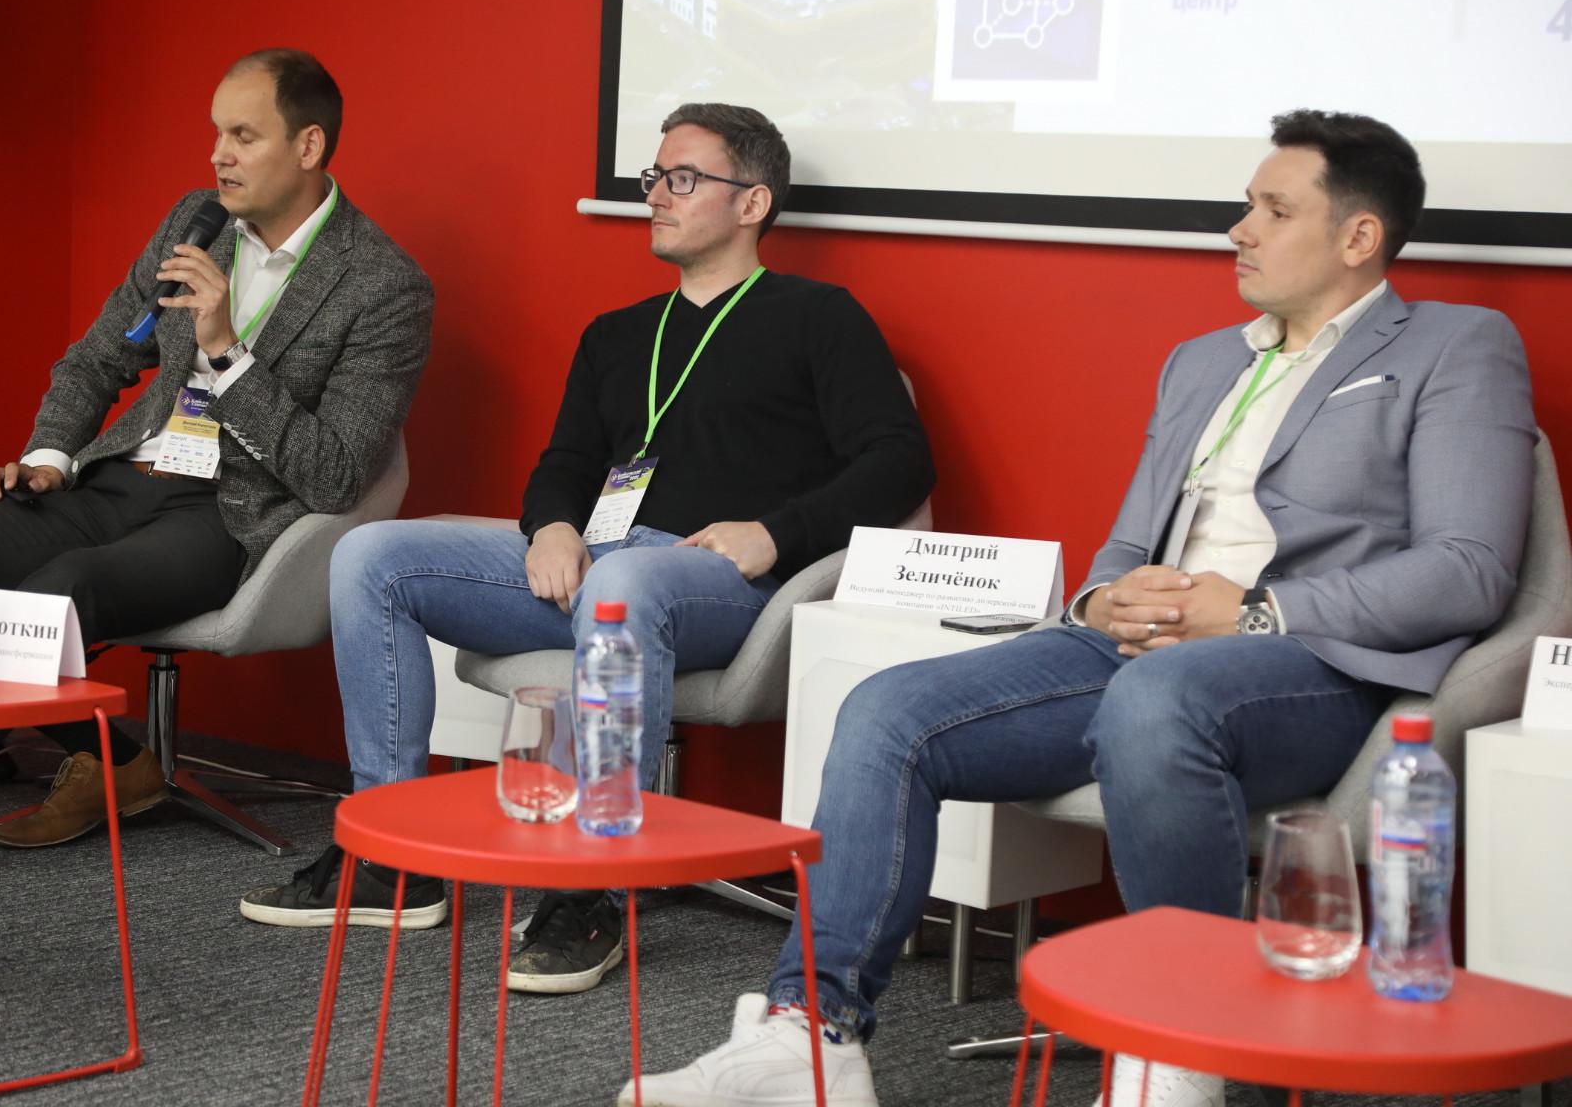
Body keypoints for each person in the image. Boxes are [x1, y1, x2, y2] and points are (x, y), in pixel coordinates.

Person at [624, 109, 1537, 1107]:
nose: (1240, 229)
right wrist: (1105, 599)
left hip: (1310, 663)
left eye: (1274, 211)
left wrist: (1253, 612)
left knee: (1161, 700)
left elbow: (1469, 569)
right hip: (1137, 650)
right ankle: (812, 1038)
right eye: (1247, 206)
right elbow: (1127, 544)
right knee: (885, 712)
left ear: (1359, 236)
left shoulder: (1456, 345)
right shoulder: (1204, 360)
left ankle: (1177, 1049)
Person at [238, 103, 936, 997]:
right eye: (654, 177)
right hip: (600, 561)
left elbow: (901, 460)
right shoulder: (617, 334)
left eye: (683, 179)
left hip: (720, 580)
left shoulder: (819, 317)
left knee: (630, 580)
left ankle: (595, 886)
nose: (657, 195)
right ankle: (389, 857)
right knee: (371, 556)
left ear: (753, 202)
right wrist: (554, 527)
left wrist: (775, 533)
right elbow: (564, 464)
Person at [0, 49, 432, 886]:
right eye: (215, 134)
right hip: (117, 481)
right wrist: (48, 459)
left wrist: (226, 352)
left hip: (225, 516)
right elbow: (97, 359)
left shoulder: (384, 285)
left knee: (57, 592)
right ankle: (121, 762)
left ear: (308, 146)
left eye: (243, 135)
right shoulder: (196, 221)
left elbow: (335, 474)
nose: (218, 155)